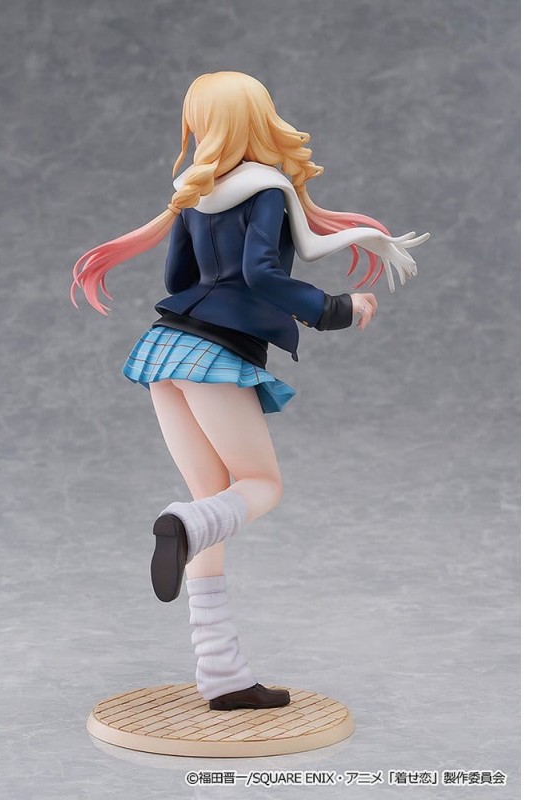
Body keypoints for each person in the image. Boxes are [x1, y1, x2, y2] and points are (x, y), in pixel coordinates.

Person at [71, 71, 429, 712]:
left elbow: (178, 277)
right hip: (213, 353)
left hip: (164, 347)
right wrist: (335, 309)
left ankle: (222, 675)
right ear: (259, 117)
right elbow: (262, 273)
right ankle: (183, 524)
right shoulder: (266, 189)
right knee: (260, 486)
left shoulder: (195, 192)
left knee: (215, 502)